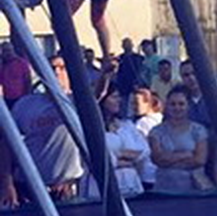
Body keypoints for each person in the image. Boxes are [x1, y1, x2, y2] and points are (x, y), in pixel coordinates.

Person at [4, 55, 84, 202]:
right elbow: (7, 144)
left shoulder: (78, 103)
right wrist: (7, 182)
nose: (56, 72)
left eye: (62, 68)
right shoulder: (25, 104)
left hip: (64, 187)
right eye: (52, 68)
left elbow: (99, 93)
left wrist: (105, 73)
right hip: (28, 185)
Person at [148, 86, 210, 192]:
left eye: (181, 104)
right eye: (173, 104)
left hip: (193, 188)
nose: (177, 108)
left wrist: (169, 159)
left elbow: (200, 160)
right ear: (166, 105)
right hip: (164, 188)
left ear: (188, 106)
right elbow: (158, 159)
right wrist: (186, 155)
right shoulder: (156, 132)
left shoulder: (199, 130)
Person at [94, 84, 148, 198]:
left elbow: (144, 150)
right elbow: (99, 158)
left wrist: (119, 154)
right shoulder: (93, 129)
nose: (118, 100)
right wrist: (122, 158)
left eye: (119, 97)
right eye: (114, 97)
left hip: (131, 182)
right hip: (104, 186)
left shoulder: (126, 125)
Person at [130, 86, 163, 190]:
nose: (133, 107)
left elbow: (139, 149)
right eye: (132, 103)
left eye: (136, 103)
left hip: (146, 173)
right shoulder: (162, 118)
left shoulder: (142, 123)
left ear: (148, 103)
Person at [0, 42, 32, 108]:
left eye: (8, 50)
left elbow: (28, 80)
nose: (7, 53)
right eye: (4, 51)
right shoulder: (3, 66)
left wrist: (27, 96)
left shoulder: (21, 63)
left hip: (20, 97)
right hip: (7, 98)